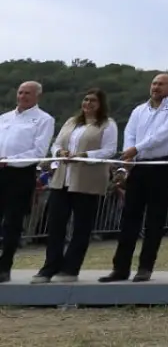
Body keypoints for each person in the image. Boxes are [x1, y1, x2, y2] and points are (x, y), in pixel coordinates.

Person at [101, 73, 168, 283]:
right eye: (154, 83)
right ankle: (120, 268)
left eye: (161, 84)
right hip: (139, 164)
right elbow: (129, 133)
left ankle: (145, 267)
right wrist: (129, 155)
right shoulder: (139, 110)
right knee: (130, 215)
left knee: (155, 218)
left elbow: (165, 134)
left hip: (163, 163)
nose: (156, 87)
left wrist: (136, 148)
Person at [34, 88, 116, 283]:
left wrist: (85, 155)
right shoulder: (72, 122)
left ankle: (70, 269)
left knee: (81, 226)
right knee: (56, 225)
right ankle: (50, 267)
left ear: (101, 104)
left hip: (87, 180)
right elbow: (56, 144)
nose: (88, 104)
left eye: (93, 101)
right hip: (62, 178)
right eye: (86, 100)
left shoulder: (107, 124)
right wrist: (60, 152)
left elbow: (109, 150)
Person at [0, 81, 55, 283]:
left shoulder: (44, 120)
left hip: (20, 174)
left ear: (37, 96)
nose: (23, 96)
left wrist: (9, 161)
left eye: (27, 93)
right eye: (20, 92)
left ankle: (4, 267)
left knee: (12, 223)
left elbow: (39, 151)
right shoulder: (4, 118)